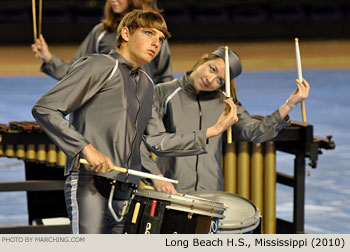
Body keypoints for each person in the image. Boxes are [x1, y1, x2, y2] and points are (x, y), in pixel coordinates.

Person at [32, 10, 171, 234]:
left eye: (161, 39)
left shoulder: (147, 83)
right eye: (148, 33)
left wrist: (210, 133)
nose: (156, 43)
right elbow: (46, 108)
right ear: (126, 33)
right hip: (91, 182)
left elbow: (155, 140)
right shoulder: (100, 65)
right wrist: (85, 149)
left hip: (127, 187)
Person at [141, 46, 310, 195]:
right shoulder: (162, 92)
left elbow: (254, 132)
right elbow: (142, 140)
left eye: (220, 80)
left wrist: (290, 104)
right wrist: (155, 176)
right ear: (204, 59)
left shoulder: (226, 102)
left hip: (211, 192)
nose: (211, 79)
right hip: (171, 189)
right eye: (212, 69)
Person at [31, 0, 173, 84]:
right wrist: (48, 58)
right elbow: (76, 71)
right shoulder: (101, 31)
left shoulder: (155, 33)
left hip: (142, 111)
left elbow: (164, 78)